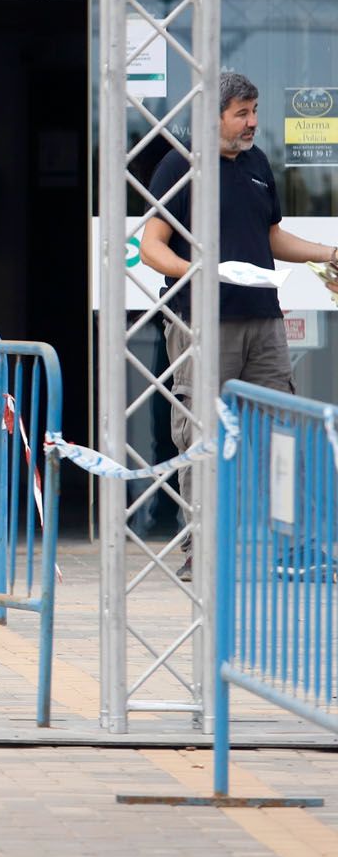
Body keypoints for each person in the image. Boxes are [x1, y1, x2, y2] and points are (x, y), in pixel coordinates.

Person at [138, 70, 338, 575]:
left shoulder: (258, 164)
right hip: (201, 322)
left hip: (263, 321)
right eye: (241, 113)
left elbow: (271, 238)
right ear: (214, 115)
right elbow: (151, 247)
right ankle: (201, 551)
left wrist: (329, 252)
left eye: (254, 112)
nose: (252, 122)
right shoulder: (178, 166)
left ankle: (297, 550)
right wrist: (200, 271)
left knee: (286, 433)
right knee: (201, 436)